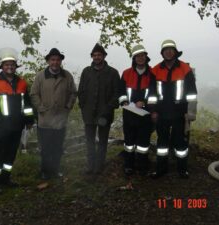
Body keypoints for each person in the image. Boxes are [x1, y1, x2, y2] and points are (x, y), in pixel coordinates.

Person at [0, 47, 34, 195]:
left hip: (16, 126)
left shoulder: (22, 83)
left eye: (12, 64)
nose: (10, 67)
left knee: (10, 154)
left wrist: (29, 120)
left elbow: (27, 105)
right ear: (1, 65)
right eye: (6, 64)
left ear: (15, 65)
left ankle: (5, 179)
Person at [150, 39, 197, 179]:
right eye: (166, 50)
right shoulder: (156, 70)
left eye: (171, 50)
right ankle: (160, 170)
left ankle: (182, 170)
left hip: (179, 113)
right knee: (162, 143)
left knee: (180, 142)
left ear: (175, 52)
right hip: (161, 113)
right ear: (162, 53)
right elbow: (151, 94)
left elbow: (192, 94)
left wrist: (191, 113)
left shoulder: (185, 69)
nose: (168, 52)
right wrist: (153, 111)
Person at [30, 48, 77, 180]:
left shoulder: (67, 76)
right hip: (45, 119)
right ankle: (45, 171)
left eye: (57, 60)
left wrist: (68, 106)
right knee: (45, 148)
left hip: (60, 120)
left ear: (61, 61)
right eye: (52, 60)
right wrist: (40, 107)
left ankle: (55, 170)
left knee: (57, 147)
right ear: (48, 61)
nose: (55, 62)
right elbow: (34, 94)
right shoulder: (40, 76)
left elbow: (73, 93)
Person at [78, 43, 120, 175]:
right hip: (89, 114)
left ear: (104, 56)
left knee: (102, 141)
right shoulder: (86, 72)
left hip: (105, 114)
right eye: (94, 55)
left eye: (99, 55)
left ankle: (99, 166)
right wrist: (83, 106)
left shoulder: (113, 73)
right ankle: (90, 165)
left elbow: (117, 93)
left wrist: (108, 108)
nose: (97, 57)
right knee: (89, 141)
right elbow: (81, 91)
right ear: (92, 56)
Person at [118, 44, 156, 176]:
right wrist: (124, 101)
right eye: (137, 56)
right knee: (129, 141)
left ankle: (142, 165)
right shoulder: (126, 73)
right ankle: (128, 165)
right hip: (129, 113)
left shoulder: (152, 74)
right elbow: (121, 91)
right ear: (133, 58)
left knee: (143, 143)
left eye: (142, 55)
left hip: (145, 114)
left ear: (146, 57)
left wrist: (144, 103)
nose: (140, 58)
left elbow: (154, 94)